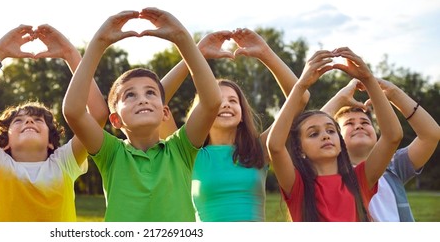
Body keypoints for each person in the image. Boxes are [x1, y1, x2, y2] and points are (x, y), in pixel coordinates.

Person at [62, 8, 222, 222]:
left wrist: (183, 39)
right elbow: (73, 111)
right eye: (130, 95)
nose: (142, 99)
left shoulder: (180, 148)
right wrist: (99, 42)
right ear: (115, 119)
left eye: (150, 92)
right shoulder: (111, 153)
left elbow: (212, 102)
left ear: (165, 112)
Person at [159, 28, 308, 221]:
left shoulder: (259, 150)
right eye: (217, 100)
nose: (225, 104)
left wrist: (265, 53)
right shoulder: (186, 153)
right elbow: (157, 102)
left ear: (241, 115)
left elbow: (300, 99)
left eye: (232, 100)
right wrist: (195, 55)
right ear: (203, 111)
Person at [0, 24, 108, 221]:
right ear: (5, 141)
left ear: (51, 141)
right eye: (18, 120)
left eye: (38, 120)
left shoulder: (64, 163)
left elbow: (98, 114)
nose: (29, 120)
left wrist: (70, 54)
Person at [266, 47, 403, 221]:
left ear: (340, 142)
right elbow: (274, 146)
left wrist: (367, 78)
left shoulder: (360, 179)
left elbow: (393, 136)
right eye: (313, 134)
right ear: (299, 149)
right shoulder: (297, 185)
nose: (325, 136)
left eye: (331, 130)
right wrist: (301, 85)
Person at [321, 77, 440, 221]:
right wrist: (340, 98)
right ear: (334, 137)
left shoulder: (394, 166)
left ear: (377, 136)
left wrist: (395, 94)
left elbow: (431, 135)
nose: (359, 126)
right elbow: (307, 133)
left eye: (365, 122)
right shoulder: (327, 171)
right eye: (349, 123)